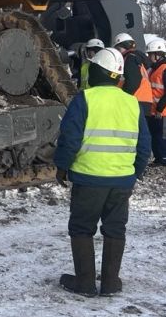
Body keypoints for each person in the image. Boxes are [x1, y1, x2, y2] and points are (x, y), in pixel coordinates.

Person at [54, 47, 151, 297]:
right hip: (121, 182)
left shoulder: (85, 99)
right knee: (115, 229)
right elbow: (144, 146)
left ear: (95, 71)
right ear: (117, 76)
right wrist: (133, 174)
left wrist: (62, 167)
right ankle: (110, 283)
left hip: (88, 179)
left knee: (82, 228)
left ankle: (84, 283)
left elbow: (70, 139)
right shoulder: (132, 103)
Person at [145, 38, 166, 167]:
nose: (149, 56)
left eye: (150, 54)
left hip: (164, 110)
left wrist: (160, 108)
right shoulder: (155, 68)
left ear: (157, 54)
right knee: (156, 135)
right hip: (156, 109)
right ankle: (159, 158)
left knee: (163, 135)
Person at [112, 32, 154, 119]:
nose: (118, 52)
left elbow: (132, 82)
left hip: (136, 101)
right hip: (143, 101)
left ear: (124, 47)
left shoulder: (130, 59)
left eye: (118, 49)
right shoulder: (137, 59)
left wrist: (122, 98)